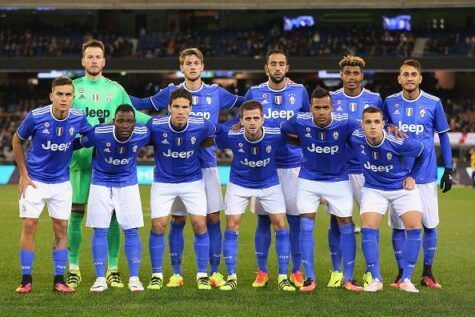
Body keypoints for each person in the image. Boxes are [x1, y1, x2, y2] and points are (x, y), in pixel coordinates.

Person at [131, 48, 242, 288]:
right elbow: (141, 104)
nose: (192, 66)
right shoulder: (171, 93)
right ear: (182, 67)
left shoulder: (216, 92)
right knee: (178, 220)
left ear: (203, 66)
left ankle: (212, 273)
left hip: (207, 164)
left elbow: (247, 104)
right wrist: (115, 96)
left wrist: (233, 126)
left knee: (212, 218)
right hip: (176, 168)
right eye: (187, 63)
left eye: (196, 63)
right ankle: (175, 273)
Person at [67, 39, 150, 289]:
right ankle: (73, 268)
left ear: (104, 61)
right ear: (83, 61)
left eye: (98, 57)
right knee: (75, 213)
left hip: (107, 161)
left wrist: (162, 121)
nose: (93, 61)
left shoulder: (115, 89)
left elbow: (134, 115)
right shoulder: (72, 87)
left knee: (113, 217)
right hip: (80, 161)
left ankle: (112, 269)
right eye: (89, 57)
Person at [13, 76, 92, 293]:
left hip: (61, 183)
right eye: (60, 94)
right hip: (34, 181)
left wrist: (81, 142)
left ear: (73, 97)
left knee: (61, 229)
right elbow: (17, 140)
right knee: (29, 226)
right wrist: (23, 174)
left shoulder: (78, 117)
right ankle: (26, 279)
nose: (64, 98)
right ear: (52, 96)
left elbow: (88, 136)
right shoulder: (36, 117)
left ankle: (59, 280)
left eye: (68, 95)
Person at [280, 87, 362, 292]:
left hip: (338, 180)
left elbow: (366, 133)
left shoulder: (346, 122)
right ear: (311, 108)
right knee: (305, 224)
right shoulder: (299, 121)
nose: (322, 112)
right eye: (318, 108)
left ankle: (349, 278)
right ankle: (310, 278)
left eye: (326, 107)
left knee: (346, 224)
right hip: (309, 180)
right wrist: (300, 142)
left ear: (332, 107)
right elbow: (282, 130)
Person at [243, 49, 309, 288]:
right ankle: (262, 271)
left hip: (293, 166)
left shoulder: (300, 91)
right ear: (266, 68)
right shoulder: (255, 92)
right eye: (273, 64)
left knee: (295, 220)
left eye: (282, 63)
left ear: (287, 68)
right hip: (264, 166)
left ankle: (296, 270)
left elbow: (308, 125)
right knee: (263, 220)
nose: (278, 67)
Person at [384, 59, 452, 289]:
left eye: (414, 74)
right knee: (398, 226)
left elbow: (443, 135)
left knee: (430, 224)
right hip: (399, 175)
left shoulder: (433, 103)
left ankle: (427, 272)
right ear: (399, 78)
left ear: (420, 78)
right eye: (405, 74)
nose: (410, 78)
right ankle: (401, 273)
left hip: (425, 175)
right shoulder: (390, 102)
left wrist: (449, 168)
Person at [215, 100, 295, 291]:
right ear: (241, 121)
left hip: (269, 184)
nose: (252, 122)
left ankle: (283, 277)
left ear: (263, 119)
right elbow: (214, 133)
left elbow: (296, 135)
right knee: (232, 225)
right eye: (248, 118)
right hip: (239, 184)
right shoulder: (232, 135)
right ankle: (231, 276)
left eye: (256, 118)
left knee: (281, 225)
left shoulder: (276, 135)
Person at [146, 88, 216, 290]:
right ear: (169, 108)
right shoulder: (156, 125)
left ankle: (202, 274)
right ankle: (157, 274)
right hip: (163, 182)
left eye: (184, 107)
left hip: (192, 181)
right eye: (176, 107)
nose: (180, 111)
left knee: (199, 225)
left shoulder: (201, 125)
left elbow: (216, 133)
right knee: (158, 225)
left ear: (190, 109)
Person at [352, 106, 426, 293]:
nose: (373, 126)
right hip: (374, 188)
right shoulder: (355, 137)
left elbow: (423, 151)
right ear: (362, 124)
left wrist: (413, 176)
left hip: (401, 187)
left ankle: (407, 279)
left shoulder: (398, 141)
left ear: (384, 124)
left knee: (414, 227)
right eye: (368, 122)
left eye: (377, 122)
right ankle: (376, 278)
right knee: (368, 227)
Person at [77, 104, 150, 292]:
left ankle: (134, 279)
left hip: (128, 184)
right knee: (100, 230)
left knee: (131, 230)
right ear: (114, 121)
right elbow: (80, 143)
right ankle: (100, 279)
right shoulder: (100, 132)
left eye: (130, 121)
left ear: (135, 123)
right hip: (100, 183)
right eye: (121, 121)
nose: (125, 125)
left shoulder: (143, 132)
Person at [327, 56, 384, 287]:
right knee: (336, 220)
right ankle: (337, 271)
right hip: (339, 169)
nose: (352, 77)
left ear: (362, 75)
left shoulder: (374, 99)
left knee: (370, 221)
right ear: (341, 75)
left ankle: (372, 271)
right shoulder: (331, 99)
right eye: (348, 73)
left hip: (366, 169)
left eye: (356, 73)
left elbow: (381, 128)